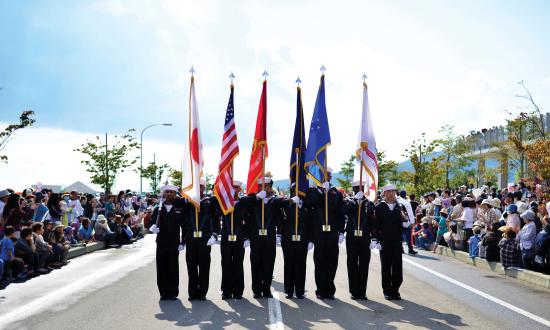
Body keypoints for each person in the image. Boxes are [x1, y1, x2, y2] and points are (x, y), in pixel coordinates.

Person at [304, 169, 345, 300]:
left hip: (332, 231)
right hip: (318, 231)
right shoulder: (312, 191)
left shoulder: (336, 193)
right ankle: (321, 290)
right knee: (320, 260)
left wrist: (341, 231)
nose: (325, 178)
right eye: (323, 176)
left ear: (331, 177)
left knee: (332, 261)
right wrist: (320, 191)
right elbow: (308, 204)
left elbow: (340, 213)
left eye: (328, 176)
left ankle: (330, 289)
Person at [246, 177, 284, 299]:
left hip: (269, 237)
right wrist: (257, 197)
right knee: (256, 262)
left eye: (267, 186)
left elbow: (281, 218)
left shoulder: (275, 201)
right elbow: (243, 207)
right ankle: (256, 289)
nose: (264, 188)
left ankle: (266, 289)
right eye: (261, 186)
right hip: (256, 237)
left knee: (268, 262)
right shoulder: (253, 199)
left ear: (270, 187)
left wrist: (279, 233)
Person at [182, 179, 218, 301]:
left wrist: (214, 235)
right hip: (191, 238)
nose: (199, 189)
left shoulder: (210, 202)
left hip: (205, 239)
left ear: (204, 188)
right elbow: (183, 221)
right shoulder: (187, 202)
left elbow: (215, 219)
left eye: (201, 186)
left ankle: (202, 292)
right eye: (197, 186)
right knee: (191, 266)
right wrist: (183, 240)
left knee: (204, 266)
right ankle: (192, 292)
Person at [213, 181, 250, 300]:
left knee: (238, 263)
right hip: (226, 236)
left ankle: (238, 291)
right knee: (226, 263)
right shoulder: (223, 203)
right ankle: (226, 291)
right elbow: (213, 203)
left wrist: (247, 237)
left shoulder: (244, 203)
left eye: (236, 188)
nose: (234, 189)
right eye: (231, 187)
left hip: (240, 237)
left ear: (240, 189)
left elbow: (249, 220)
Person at [150, 184, 186, 301]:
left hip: (174, 242)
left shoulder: (179, 208)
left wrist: (183, 241)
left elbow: (184, 226)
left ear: (175, 194)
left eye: (172, 192)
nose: (169, 194)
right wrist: (153, 228)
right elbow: (151, 223)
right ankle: (163, 292)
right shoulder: (158, 208)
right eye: (167, 192)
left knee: (173, 267)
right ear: (163, 193)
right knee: (161, 267)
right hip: (161, 242)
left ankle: (173, 292)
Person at [374, 184, 409, 300]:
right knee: (386, 266)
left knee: (397, 266)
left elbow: (405, 220)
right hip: (384, 241)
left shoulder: (400, 206)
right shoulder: (379, 207)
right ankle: (387, 290)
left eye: (393, 191)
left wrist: (405, 224)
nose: (391, 194)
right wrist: (376, 239)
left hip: (397, 240)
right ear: (384, 193)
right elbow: (376, 225)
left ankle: (395, 290)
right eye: (389, 191)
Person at [341, 181, 375, 300]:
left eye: (361, 188)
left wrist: (374, 237)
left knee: (364, 263)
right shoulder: (349, 201)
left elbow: (373, 220)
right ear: (354, 189)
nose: (358, 190)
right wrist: (355, 200)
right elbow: (344, 211)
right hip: (352, 236)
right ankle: (354, 291)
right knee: (352, 263)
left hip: (365, 236)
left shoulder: (369, 203)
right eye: (356, 188)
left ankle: (362, 291)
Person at [278, 182, 311, 299]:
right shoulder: (286, 204)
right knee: (289, 264)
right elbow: (280, 216)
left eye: (299, 191)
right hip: (288, 239)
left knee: (301, 264)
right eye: (294, 191)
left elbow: (310, 223)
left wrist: (311, 239)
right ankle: (289, 290)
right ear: (291, 192)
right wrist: (291, 201)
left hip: (303, 239)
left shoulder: (307, 205)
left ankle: (300, 291)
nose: (297, 193)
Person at [398, 190, 417, 255]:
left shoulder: (396, 200)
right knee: (408, 236)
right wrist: (412, 222)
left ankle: (401, 249)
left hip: (398, 221)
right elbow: (410, 213)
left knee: (400, 235)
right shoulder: (406, 202)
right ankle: (410, 249)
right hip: (405, 221)